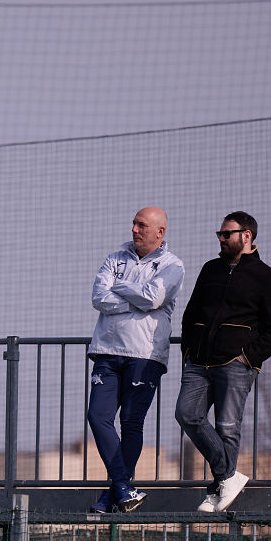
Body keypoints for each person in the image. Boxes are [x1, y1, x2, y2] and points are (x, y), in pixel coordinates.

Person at [175, 211, 271, 513]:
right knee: (187, 414)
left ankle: (218, 491)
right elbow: (191, 314)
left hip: (235, 364)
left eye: (227, 234)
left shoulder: (266, 277)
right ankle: (228, 476)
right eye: (220, 234)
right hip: (199, 363)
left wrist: (247, 357)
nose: (221, 239)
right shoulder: (210, 269)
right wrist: (189, 351)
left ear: (246, 236)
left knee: (228, 427)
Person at [86, 207, 184, 513]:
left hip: (145, 355)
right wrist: (137, 297)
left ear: (160, 232)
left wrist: (121, 287)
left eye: (141, 225)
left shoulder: (173, 265)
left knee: (131, 424)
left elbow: (154, 299)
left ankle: (112, 495)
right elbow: (98, 298)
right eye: (134, 224)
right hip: (107, 352)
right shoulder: (114, 258)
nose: (134, 229)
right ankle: (123, 489)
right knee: (97, 416)